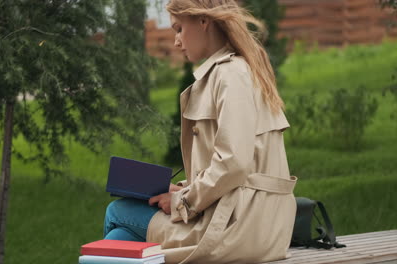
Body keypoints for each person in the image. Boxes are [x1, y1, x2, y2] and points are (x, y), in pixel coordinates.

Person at [103, 0, 297, 263]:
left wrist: (182, 201)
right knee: (121, 238)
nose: (176, 41)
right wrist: (181, 189)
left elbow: (234, 163)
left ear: (203, 22)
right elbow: (238, 165)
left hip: (238, 226)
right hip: (254, 220)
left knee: (119, 213)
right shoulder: (238, 71)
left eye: (179, 29)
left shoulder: (230, 75)